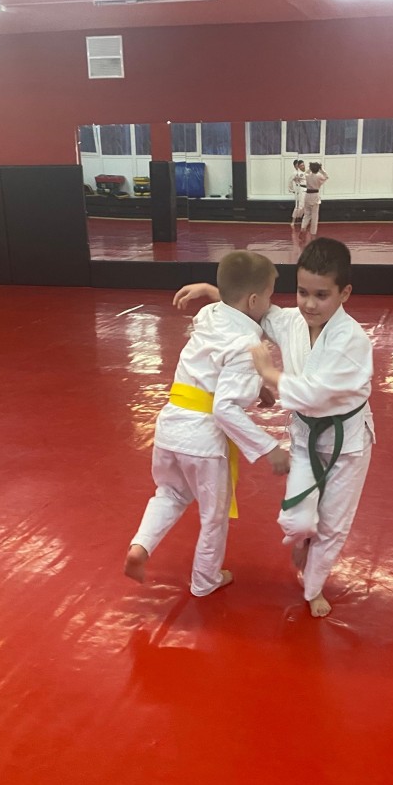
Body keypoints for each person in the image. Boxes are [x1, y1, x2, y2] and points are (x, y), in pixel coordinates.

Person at [174, 238, 374, 618]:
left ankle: (313, 587)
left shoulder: (352, 341)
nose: (309, 304)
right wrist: (215, 292)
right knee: (297, 521)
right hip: (305, 434)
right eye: (302, 292)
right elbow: (255, 309)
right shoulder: (293, 322)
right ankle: (303, 538)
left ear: (344, 293)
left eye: (321, 295)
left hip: (347, 442)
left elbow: (315, 393)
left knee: (333, 524)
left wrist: (270, 374)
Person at [124, 251, 290, 596]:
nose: (271, 302)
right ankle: (205, 580)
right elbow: (225, 409)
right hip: (204, 439)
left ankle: (140, 546)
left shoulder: (208, 314)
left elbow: (217, 358)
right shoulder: (248, 344)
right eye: (270, 295)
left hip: (171, 425)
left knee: (169, 493)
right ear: (254, 300)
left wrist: (254, 386)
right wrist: (269, 447)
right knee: (213, 517)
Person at [301, 161, 329, 236]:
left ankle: (303, 227)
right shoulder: (319, 176)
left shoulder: (307, 176)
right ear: (318, 169)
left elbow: (304, 174)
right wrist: (321, 170)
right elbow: (326, 176)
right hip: (315, 196)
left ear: (310, 168)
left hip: (307, 195)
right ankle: (313, 233)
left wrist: (309, 169)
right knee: (314, 216)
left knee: (306, 214)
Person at [288, 159, 307, 227]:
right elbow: (290, 181)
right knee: (298, 206)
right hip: (299, 190)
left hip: (306, 190)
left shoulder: (305, 172)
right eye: (297, 166)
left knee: (305, 206)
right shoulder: (295, 173)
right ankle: (293, 221)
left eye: (303, 165)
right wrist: (291, 190)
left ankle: (303, 220)